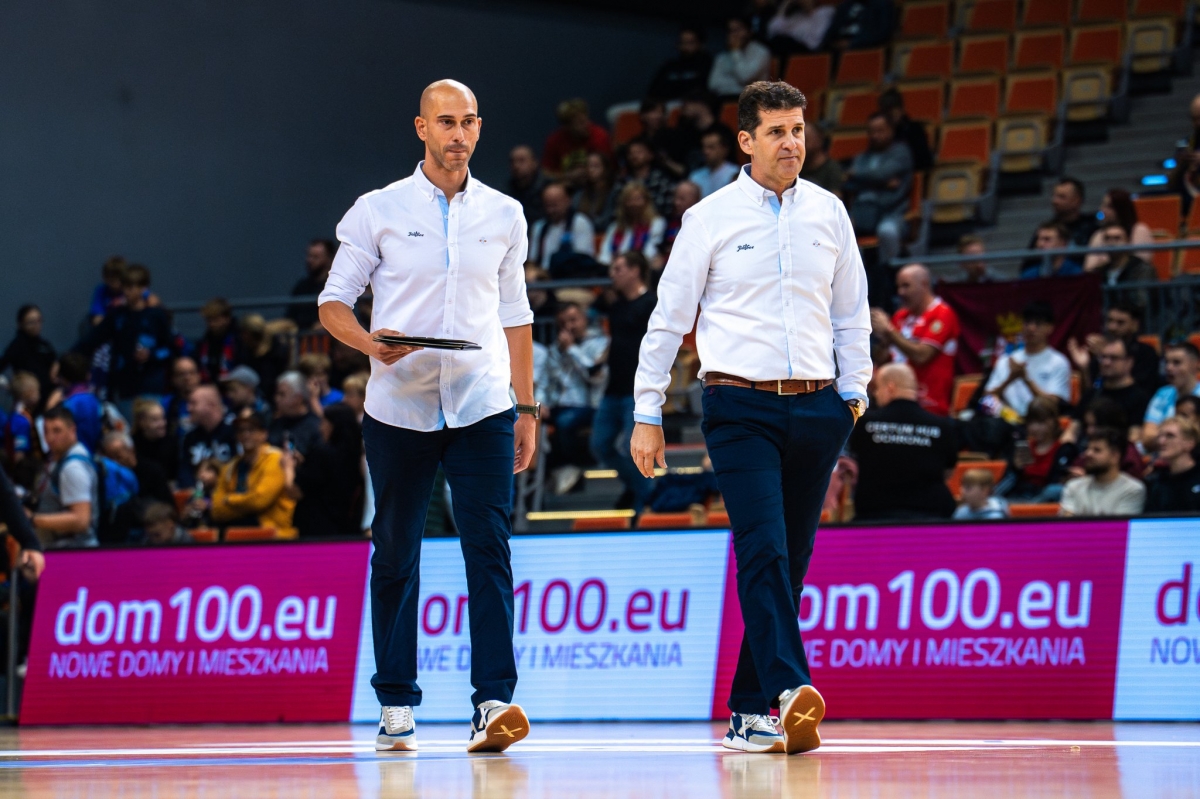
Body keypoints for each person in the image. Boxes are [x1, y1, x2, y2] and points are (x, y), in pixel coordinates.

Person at [631, 80, 872, 755]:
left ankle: (745, 709)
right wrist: (646, 412)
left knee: (789, 562)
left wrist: (853, 397)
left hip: (821, 405)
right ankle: (793, 688)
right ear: (745, 140)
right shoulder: (708, 218)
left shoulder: (830, 212)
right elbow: (668, 320)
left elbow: (853, 312)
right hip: (738, 405)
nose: (792, 141)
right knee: (762, 547)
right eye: (776, 131)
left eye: (798, 129)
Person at [317, 80, 537, 753]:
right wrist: (367, 343)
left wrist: (526, 405)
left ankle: (494, 700)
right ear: (420, 127)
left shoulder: (504, 213)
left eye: (468, 121)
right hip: (399, 407)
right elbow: (333, 303)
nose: (458, 134)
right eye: (446, 121)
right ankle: (395, 701)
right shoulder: (376, 209)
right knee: (395, 553)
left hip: (482, 404)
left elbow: (516, 315)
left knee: (490, 551)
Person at [590, 253, 656, 511]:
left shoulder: (651, 303)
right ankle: (640, 489)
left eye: (618, 269)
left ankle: (643, 500)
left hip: (637, 389)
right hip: (613, 387)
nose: (612, 274)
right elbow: (616, 342)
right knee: (600, 444)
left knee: (635, 449)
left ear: (635, 270)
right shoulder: (615, 306)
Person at [850, 364, 959, 521]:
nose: (876, 394)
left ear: (890, 387)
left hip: (874, 517)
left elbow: (854, 461)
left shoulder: (864, 424)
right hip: (930, 517)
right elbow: (948, 471)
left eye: (877, 388)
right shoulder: (943, 426)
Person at [77, 264, 175, 403]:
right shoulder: (117, 316)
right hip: (124, 384)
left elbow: (170, 348)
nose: (127, 292)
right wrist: (68, 358)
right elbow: (91, 341)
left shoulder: (156, 315)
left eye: (131, 287)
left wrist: (151, 354)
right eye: (125, 287)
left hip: (151, 384)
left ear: (143, 288)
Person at [871, 264, 960, 416]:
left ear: (924, 284)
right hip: (894, 402)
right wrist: (884, 339)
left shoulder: (942, 313)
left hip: (929, 404)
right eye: (898, 287)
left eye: (906, 286)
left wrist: (889, 331)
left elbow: (922, 356)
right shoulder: (901, 316)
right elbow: (882, 358)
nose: (901, 292)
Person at [544, 303, 608, 494]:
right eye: (563, 323)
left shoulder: (600, 343)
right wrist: (540, 404)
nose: (569, 327)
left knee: (566, 421)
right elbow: (547, 380)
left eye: (573, 320)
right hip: (556, 404)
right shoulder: (556, 348)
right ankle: (550, 471)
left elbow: (594, 376)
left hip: (588, 404)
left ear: (584, 319)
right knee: (527, 414)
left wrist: (572, 349)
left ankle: (575, 465)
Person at [281, 402, 364, 538]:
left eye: (324, 422)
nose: (320, 428)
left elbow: (294, 492)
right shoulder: (357, 455)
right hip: (346, 530)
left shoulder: (321, 453)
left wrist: (287, 467)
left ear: (333, 426)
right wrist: (305, 464)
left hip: (316, 531)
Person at [210, 410, 296, 537]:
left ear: (264, 434)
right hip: (239, 526)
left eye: (251, 430)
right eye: (241, 431)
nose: (245, 435)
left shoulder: (276, 459)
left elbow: (259, 501)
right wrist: (245, 505)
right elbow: (216, 509)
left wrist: (228, 500)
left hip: (272, 530)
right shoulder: (231, 466)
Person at [983, 301, 1072, 420]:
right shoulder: (1006, 360)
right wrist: (1010, 379)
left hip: (1042, 423)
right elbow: (986, 399)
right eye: (1027, 322)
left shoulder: (1058, 362)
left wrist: (1026, 379)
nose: (1031, 328)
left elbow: (1053, 405)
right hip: (1007, 424)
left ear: (1050, 328)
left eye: (1038, 323)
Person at [845, 113, 913, 265]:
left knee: (887, 232)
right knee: (838, 229)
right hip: (861, 212)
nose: (875, 135)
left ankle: (890, 274)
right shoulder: (862, 158)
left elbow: (882, 173)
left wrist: (858, 177)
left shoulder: (901, 152)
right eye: (872, 131)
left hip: (891, 212)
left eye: (880, 130)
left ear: (891, 130)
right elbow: (849, 184)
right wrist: (882, 183)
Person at [31, 406, 98, 549]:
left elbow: (81, 520)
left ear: (72, 430)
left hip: (72, 552)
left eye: (57, 431)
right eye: (46, 431)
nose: (50, 438)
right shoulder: (58, 459)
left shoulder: (73, 468)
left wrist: (33, 519)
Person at [1069, 335, 1150, 437]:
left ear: (1129, 362)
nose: (1106, 363)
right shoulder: (1091, 395)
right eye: (1103, 357)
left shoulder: (1140, 399)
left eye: (1113, 358)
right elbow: (1072, 431)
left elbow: (1134, 439)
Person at [995, 396, 1071, 502]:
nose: (1035, 428)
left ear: (1053, 422)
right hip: (1020, 495)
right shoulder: (1025, 446)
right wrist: (1016, 468)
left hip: (1044, 498)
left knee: (1053, 491)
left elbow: (1057, 483)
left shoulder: (1063, 449)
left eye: (1041, 423)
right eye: (1031, 423)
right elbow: (1010, 481)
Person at [1077, 302, 1161, 396]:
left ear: (1135, 325)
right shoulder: (1099, 350)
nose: (1112, 327)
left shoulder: (1146, 353)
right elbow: (1091, 391)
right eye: (1109, 321)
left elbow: (1141, 391)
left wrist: (1104, 355)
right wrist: (1084, 368)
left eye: (1120, 323)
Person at [1059, 426, 1145, 516]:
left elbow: (1118, 528)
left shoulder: (1132, 490)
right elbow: (1067, 526)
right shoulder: (1073, 487)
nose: (1088, 454)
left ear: (1115, 456)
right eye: (1087, 449)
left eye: (1097, 450)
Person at [1142, 341, 1200, 451]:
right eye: (1167, 362)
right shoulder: (1162, 394)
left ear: (1196, 364)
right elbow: (1147, 438)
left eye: (1176, 363)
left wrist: (1161, 433)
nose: (1169, 368)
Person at [542, 98, 612, 187]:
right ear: (567, 126)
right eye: (580, 123)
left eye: (586, 120)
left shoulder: (599, 135)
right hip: (567, 185)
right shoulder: (554, 140)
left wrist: (587, 172)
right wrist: (569, 176)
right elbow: (546, 173)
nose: (586, 125)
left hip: (597, 184)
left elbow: (609, 169)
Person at [528, 183, 596, 271]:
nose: (551, 210)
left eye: (555, 205)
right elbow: (532, 261)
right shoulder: (538, 227)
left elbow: (583, 259)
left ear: (568, 201)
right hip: (542, 278)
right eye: (547, 205)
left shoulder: (580, 223)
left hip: (571, 276)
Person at [1084, 189, 1155, 272]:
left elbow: (1141, 264)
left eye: (1109, 206)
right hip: (1105, 279)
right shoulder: (1098, 234)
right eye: (1103, 205)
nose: (1102, 210)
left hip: (1131, 280)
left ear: (1121, 209)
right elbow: (1089, 268)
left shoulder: (1139, 230)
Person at [178, 385, 236, 487]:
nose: (188, 408)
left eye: (193, 403)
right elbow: (184, 471)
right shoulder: (190, 438)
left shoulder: (234, 433)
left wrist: (218, 478)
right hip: (197, 496)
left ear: (211, 405)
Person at [598, 182, 667, 265]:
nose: (634, 203)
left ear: (646, 201)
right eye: (629, 200)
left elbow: (650, 253)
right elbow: (603, 255)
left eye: (638, 199)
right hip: (613, 270)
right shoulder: (615, 227)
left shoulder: (657, 223)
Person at [0, 305, 56, 403]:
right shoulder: (16, 346)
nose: (36, 325)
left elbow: (55, 364)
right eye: (31, 322)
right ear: (20, 323)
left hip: (48, 397)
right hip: (27, 399)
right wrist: (9, 386)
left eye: (39, 321)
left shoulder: (44, 345)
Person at [1024, 178, 1097, 252]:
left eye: (1062, 197)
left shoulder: (1090, 227)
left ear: (1077, 200)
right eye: (1054, 196)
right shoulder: (1046, 229)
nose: (1054, 201)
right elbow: (1030, 260)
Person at [1144, 417, 1200, 513]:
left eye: (1170, 436)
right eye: (1160, 436)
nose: (1161, 442)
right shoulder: (1157, 482)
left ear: (1189, 443)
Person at [101, 430, 171, 506]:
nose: (114, 463)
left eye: (117, 456)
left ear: (131, 450)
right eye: (110, 458)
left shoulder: (153, 471)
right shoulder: (108, 476)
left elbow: (166, 505)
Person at [709, 17, 772, 99]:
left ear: (749, 31)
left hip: (754, 99)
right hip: (726, 98)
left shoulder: (761, 52)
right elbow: (713, 84)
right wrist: (739, 87)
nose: (735, 34)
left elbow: (745, 77)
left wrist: (736, 52)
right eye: (731, 31)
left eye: (738, 29)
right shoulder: (722, 56)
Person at [647, 24, 714, 101]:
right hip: (667, 108)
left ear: (701, 45)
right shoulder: (669, 66)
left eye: (690, 43)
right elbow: (652, 93)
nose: (685, 47)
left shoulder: (708, 65)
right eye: (682, 42)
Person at [615, 138, 678, 219]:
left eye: (639, 152)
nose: (634, 156)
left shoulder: (660, 180)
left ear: (650, 155)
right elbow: (617, 208)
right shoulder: (622, 182)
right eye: (631, 153)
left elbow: (666, 209)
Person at [56, 352, 103, 455]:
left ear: (63, 378)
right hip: (93, 455)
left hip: (75, 456)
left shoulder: (68, 404)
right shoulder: (94, 400)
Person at [268, 371, 324, 456]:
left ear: (298, 398)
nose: (276, 399)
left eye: (282, 394)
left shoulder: (315, 426)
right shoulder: (275, 423)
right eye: (277, 394)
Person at [878, 88, 933, 172]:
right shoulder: (880, 134)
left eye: (894, 109)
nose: (891, 114)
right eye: (886, 111)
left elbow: (925, 162)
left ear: (901, 109)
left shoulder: (915, 130)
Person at [237, 314, 289, 401]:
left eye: (243, 333)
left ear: (248, 334)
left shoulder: (276, 349)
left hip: (271, 395)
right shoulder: (245, 350)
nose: (242, 337)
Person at [286, 239, 337, 330]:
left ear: (329, 259)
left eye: (315, 257)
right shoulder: (302, 286)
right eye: (309, 256)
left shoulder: (335, 286)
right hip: (297, 332)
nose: (310, 260)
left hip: (320, 337)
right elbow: (290, 317)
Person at [1096, 221, 1158, 290]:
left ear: (1127, 242)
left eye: (1117, 238)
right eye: (1107, 238)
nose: (1111, 243)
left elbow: (1142, 299)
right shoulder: (1099, 272)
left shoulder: (1142, 270)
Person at [131, 397, 178, 482]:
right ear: (142, 422)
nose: (162, 424)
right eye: (155, 420)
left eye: (163, 418)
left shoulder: (172, 442)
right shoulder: (132, 445)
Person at [194, 298, 241, 382]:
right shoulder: (204, 343)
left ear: (227, 318)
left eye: (215, 320)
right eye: (208, 320)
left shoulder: (240, 340)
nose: (211, 324)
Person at [659, 181, 703, 270]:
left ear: (696, 200)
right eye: (675, 198)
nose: (676, 203)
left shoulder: (702, 225)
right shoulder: (670, 220)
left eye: (682, 199)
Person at [767, 0, 836, 55]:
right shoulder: (797, 16)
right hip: (790, 52)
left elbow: (815, 42)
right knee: (776, 42)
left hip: (811, 52)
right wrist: (785, 5)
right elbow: (773, 31)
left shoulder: (825, 12)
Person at [823, 0, 896, 50]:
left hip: (864, 48)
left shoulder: (883, 4)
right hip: (838, 49)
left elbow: (883, 34)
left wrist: (853, 43)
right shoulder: (845, 6)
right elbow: (832, 30)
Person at [689, 130, 740, 199]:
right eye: (704, 147)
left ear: (724, 149)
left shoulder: (736, 174)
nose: (705, 152)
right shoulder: (695, 176)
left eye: (711, 147)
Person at [573, 152, 617, 231]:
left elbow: (607, 221)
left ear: (605, 169)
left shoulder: (614, 192)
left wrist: (584, 224)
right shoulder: (579, 194)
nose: (591, 170)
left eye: (596, 166)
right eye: (588, 166)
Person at [504, 145, 547, 225]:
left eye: (521, 161)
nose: (516, 166)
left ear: (535, 163)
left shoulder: (547, 188)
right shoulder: (506, 192)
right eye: (512, 161)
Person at [799, 125, 845, 198]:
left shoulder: (832, 169)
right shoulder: (797, 168)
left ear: (819, 140)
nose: (800, 145)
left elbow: (835, 199)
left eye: (806, 140)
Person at [162, 356, 201, 436]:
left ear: (198, 376)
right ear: (173, 379)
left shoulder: (211, 401)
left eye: (191, 373)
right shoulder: (166, 404)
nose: (187, 378)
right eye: (181, 374)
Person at [87, 256, 128, 326]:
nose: (115, 282)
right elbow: (97, 316)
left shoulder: (128, 290)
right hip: (108, 327)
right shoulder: (101, 291)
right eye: (112, 278)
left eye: (118, 278)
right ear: (104, 277)